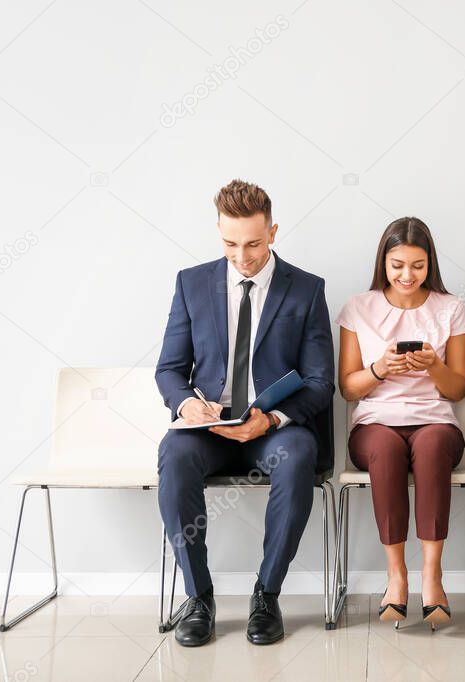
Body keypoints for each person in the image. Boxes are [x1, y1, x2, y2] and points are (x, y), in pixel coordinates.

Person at [155, 179, 334, 647]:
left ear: (272, 232)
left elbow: (320, 382)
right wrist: (188, 403)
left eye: (253, 243)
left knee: (298, 457)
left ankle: (266, 594)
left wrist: (272, 419)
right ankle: (199, 597)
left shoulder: (307, 290)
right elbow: (170, 370)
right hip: (208, 429)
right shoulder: (191, 283)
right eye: (230, 243)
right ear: (218, 232)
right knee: (173, 455)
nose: (242, 256)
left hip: (273, 430)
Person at [337, 217, 465, 630]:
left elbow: (458, 389)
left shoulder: (451, 310)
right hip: (375, 425)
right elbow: (347, 388)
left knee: (430, 448)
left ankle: (433, 574)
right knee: (388, 450)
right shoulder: (358, 308)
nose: (407, 275)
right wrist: (379, 369)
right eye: (397, 265)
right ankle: (396, 575)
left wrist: (434, 366)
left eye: (417, 265)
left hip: (436, 423)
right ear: (384, 262)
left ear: (430, 263)